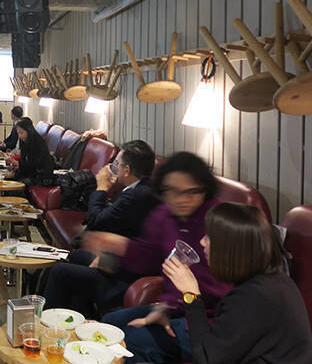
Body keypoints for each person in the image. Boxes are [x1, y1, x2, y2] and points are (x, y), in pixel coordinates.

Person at [87, 152, 231, 363]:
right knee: (110, 323)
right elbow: (149, 258)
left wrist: (173, 304)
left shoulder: (218, 220)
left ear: (205, 190)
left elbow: (222, 290)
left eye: (192, 192)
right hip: (177, 307)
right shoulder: (164, 215)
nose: (181, 200)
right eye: (173, 191)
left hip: (210, 321)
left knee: (130, 341)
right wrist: (119, 246)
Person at [159, 202, 312, 364]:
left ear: (229, 249)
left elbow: (206, 359)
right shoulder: (274, 280)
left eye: (209, 237)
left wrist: (191, 295)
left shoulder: (253, 298)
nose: (202, 242)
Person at [43, 140, 161, 317]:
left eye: (117, 164)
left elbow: (96, 221)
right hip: (121, 259)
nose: (114, 168)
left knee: (58, 272)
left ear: (127, 170)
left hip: (124, 275)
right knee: (75, 255)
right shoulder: (142, 188)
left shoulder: (136, 196)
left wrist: (101, 188)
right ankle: (80, 312)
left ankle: (47, 322)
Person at [5, 117, 53, 184]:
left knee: (15, 183)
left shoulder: (38, 142)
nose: (20, 136)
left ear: (28, 131)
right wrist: (16, 166)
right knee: (6, 179)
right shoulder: (24, 141)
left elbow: (35, 164)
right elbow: (24, 159)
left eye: (21, 133)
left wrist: (18, 163)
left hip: (40, 175)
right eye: (18, 133)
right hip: (30, 172)